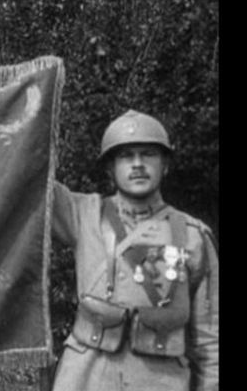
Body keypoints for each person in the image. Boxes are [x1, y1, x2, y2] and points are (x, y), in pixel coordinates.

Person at [51, 110, 219, 391]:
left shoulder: (193, 236)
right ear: (110, 168)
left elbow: (209, 335)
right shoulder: (83, 214)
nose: (138, 164)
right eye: (126, 156)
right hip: (85, 376)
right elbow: (28, 177)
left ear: (165, 165)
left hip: (160, 379)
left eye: (148, 154)